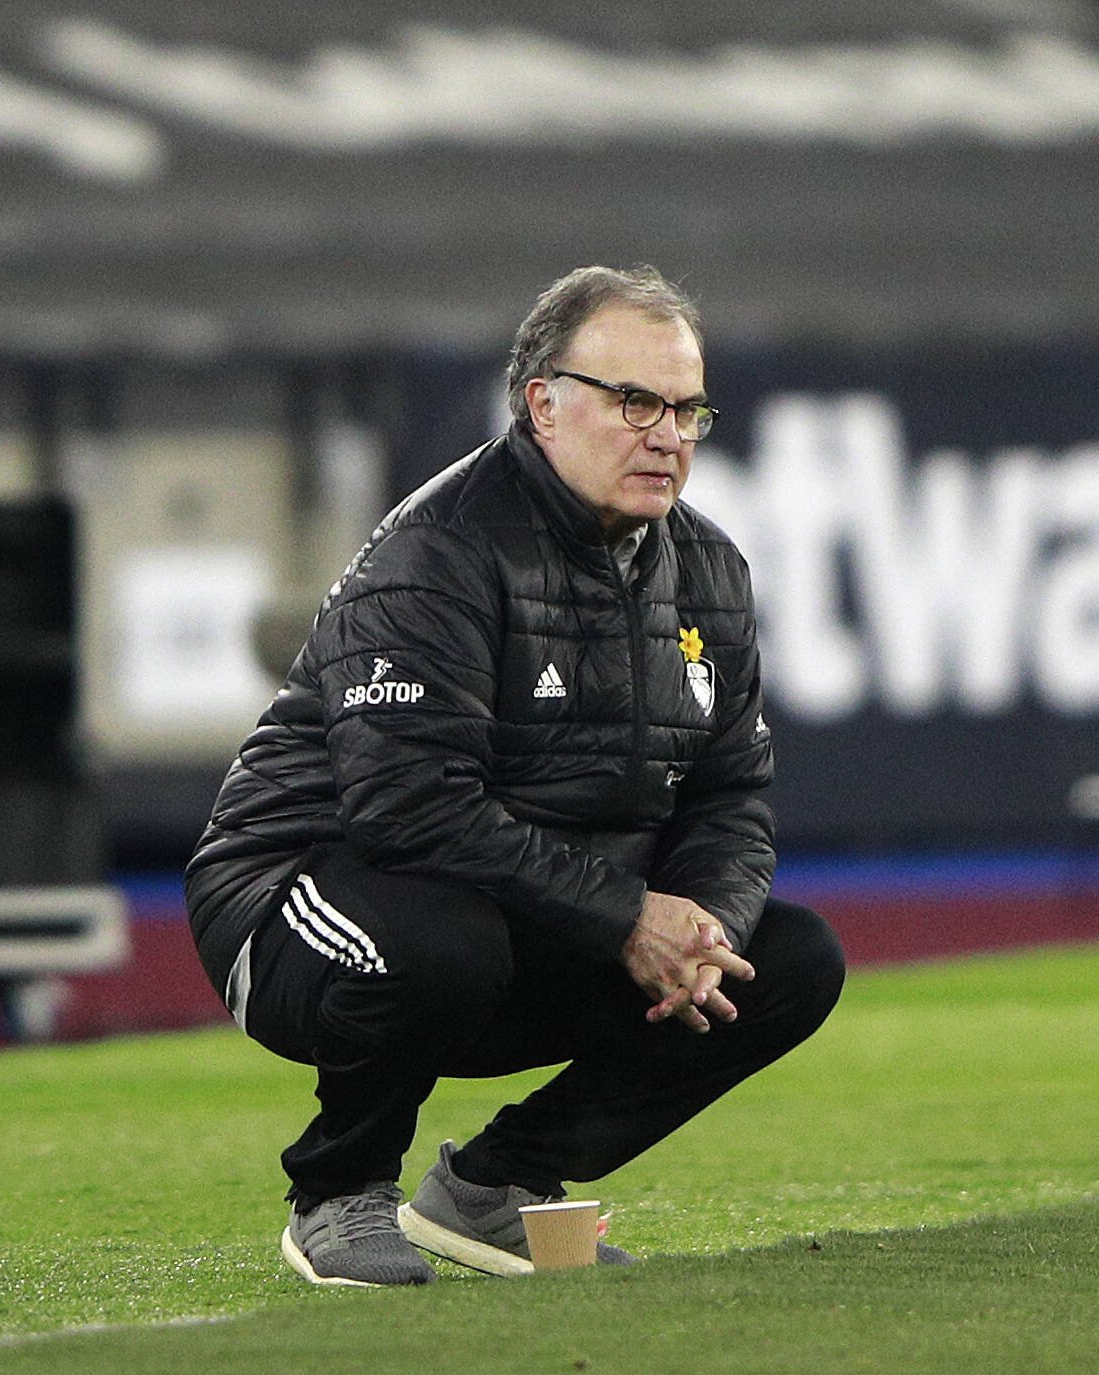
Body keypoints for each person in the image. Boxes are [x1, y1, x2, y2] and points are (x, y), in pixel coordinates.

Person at [184, 264, 845, 1287]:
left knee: (787, 960)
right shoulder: (438, 550)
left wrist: (702, 927)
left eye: (687, 410)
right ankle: (340, 1190)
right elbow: (407, 810)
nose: (668, 436)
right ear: (543, 404)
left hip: (524, 919)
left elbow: (728, 797)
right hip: (297, 902)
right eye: (636, 402)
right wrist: (626, 915)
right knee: (444, 937)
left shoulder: (710, 572)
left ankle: (496, 1187)